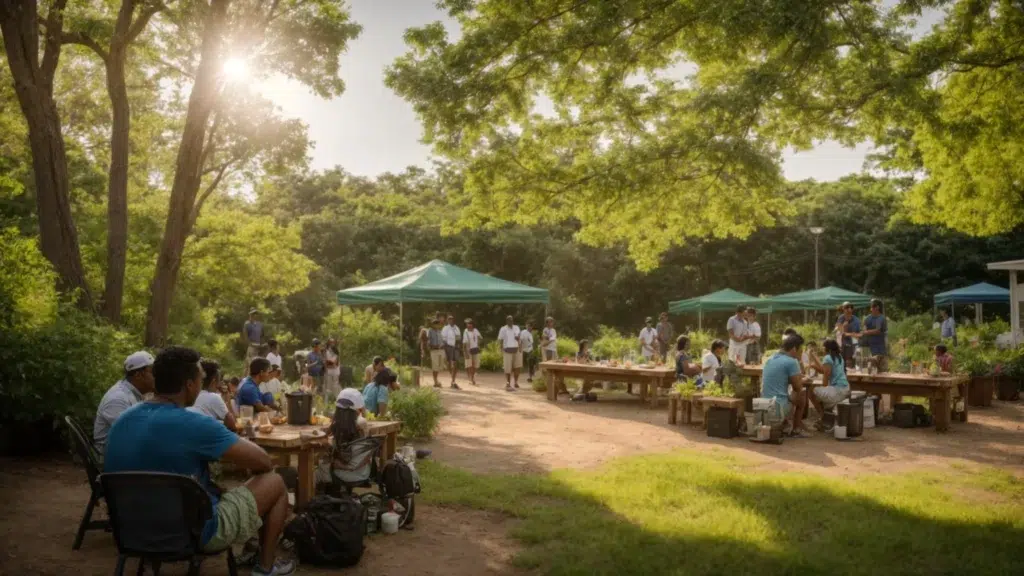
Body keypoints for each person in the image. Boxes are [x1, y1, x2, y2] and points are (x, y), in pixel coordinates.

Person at [104, 346, 295, 576]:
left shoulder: (122, 421)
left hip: (131, 532)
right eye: (200, 378)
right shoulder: (196, 424)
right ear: (189, 384)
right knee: (274, 482)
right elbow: (263, 462)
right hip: (191, 534)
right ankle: (265, 568)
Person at [93, 351, 156, 454]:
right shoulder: (117, 398)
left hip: (124, 452)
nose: (156, 377)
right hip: (111, 457)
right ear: (138, 375)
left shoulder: (136, 394)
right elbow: (132, 436)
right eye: (152, 372)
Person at [761, 333, 810, 437]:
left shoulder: (771, 358)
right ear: (794, 349)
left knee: (785, 394)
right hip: (776, 408)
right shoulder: (792, 362)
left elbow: (781, 376)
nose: (801, 353)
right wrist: (804, 379)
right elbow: (797, 387)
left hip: (762, 407)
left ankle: (785, 424)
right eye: (800, 350)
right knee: (801, 395)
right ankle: (796, 429)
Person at [805, 339, 850, 428]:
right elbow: (824, 369)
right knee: (818, 391)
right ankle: (827, 417)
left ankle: (823, 418)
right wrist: (814, 358)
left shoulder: (827, 358)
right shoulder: (839, 357)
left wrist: (813, 367)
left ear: (828, 349)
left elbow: (825, 382)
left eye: (824, 347)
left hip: (837, 391)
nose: (822, 348)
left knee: (811, 391)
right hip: (845, 389)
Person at [189, 359, 238, 432]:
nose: (220, 384)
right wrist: (228, 400)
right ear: (213, 381)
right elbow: (233, 425)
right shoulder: (214, 397)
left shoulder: (190, 396)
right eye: (219, 380)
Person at [861, 299, 889, 372]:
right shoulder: (867, 318)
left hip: (880, 348)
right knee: (869, 370)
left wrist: (867, 332)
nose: (871, 308)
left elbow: (877, 330)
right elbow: (864, 330)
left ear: (877, 307)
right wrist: (867, 331)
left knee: (882, 370)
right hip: (870, 348)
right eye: (871, 306)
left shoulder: (881, 318)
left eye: (873, 306)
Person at [498, 316, 523, 391]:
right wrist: (501, 349)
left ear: (513, 320)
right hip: (507, 350)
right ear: (506, 321)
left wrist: (520, 345)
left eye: (511, 320)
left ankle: (515, 382)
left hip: (516, 349)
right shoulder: (503, 329)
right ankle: (508, 382)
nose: (510, 321)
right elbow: (501, 340)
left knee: (517, 367)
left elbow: (519, 337)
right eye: (509, 320)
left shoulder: (516, 328)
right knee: (507, 368)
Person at [442, 315, 462, 387]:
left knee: (455, 363)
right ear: (447, 320)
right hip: (448, 347)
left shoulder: (457, 328)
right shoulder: (445, 328)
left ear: (453, 320)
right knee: (449, 364)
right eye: (449, 319)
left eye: (452, 319)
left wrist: (459, 346)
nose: (450, 320)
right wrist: (445, 348)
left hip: (455, 347)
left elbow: (459, 338)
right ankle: (452, 378)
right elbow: (443, 339)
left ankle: (453, 380)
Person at [426, 317, 446, 388]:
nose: (436, 325)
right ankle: (435, 382)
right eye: (434, 323)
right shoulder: (430, 331)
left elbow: (442, 340)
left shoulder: (439, 331)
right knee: (435, 366)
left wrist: (442, 345)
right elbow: (428, 341)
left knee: (440, 366)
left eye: (437, 323)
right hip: (434, 350)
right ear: (432, 324)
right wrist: (431, 346)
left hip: (441, 350)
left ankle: (436, 380)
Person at [462, 319, 483, 386]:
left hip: (475, 349)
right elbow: (464, 343)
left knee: (476, 365)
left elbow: (480, 338)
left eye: (470, 324)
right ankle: (471, 379)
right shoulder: (465, 331)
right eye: (468, 324)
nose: (469, 325)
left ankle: (472, 377)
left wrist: (478, 343)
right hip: (469, 349)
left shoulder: (476, 330)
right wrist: (465, 351)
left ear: (472, 325)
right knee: (469, 365)